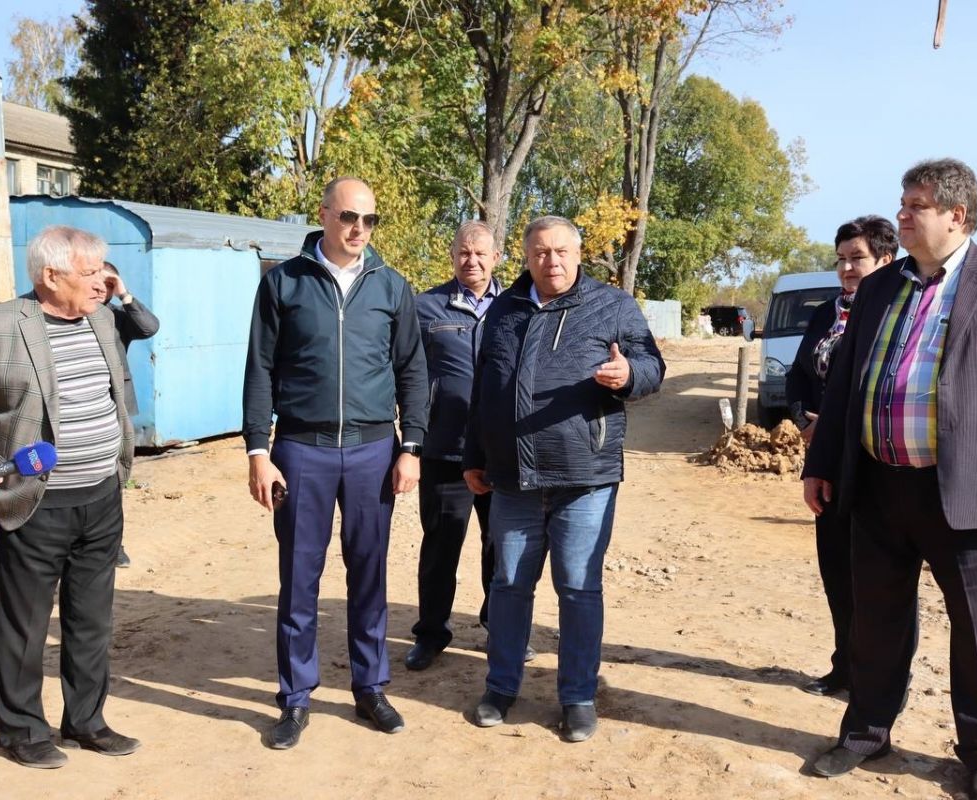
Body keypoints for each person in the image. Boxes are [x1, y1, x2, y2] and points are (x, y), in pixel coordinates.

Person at [802, 159, 977, 800]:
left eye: (916, 205)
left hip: (970, 494)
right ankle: (866, 731)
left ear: (957, 216)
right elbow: (844, 386)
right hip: (879, 486)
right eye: (903, 202)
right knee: (875, 622)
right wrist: (819, 464)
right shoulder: (881, 288)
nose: (904, 214)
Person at [0, 225, 140, 769]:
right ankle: (22, 729)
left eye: (102, 271)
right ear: (51, 276)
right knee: (25, 624)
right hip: (36, 500)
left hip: (101, 496)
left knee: (91, 618)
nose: (102, 283)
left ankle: (86, 719)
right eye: (90, 272)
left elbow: (116, 388)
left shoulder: (101, 318)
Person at [463, 215, 665, 742]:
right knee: (507, 586)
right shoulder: (504, 310)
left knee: (578, 588)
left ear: (578, 255)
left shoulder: (613, 306)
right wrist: (473, 454)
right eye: (540, 253)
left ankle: (577, 696)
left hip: (585, 478)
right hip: (513, 480)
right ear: (525, 257)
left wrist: (628, 377)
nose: (551, 262)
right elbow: (484, 389)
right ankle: (501, 686)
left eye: (560, 252)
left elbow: (651, 366)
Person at [243, 176, 429, 749]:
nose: (358, 230)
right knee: (299, 577)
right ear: (323, 214)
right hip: (302, 449)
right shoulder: (284, 284)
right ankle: (296, 698)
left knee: (369, 574)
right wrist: (257, 450)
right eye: (349, 217)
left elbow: (413, 372)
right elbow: (260, 371)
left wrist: (411, 447)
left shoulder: (392, 287)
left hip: (375, 449)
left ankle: (370, 687)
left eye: (369, 221)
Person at [406, 220, 540, 671]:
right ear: (452, 255)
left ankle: (501, 628)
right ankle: (430, 633)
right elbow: (405, 373)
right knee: (440, 547)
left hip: (502, 453)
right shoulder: (426, 308)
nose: (473, 260)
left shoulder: (519, 308)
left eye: (482, 253)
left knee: (502, 547)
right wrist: (410, 439)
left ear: (498, 257)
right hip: (445, 449)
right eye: (464, 252)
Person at [786, 215, 897, 696]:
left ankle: (883, 677)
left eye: (858, 259)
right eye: (842, 260)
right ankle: (845, 668)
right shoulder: (825, 313)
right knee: (835, 566)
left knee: (876, 576)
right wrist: (806, 422)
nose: (848, 269)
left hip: (877, 464)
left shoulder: (897, 314)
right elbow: (796, 377)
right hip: (828, 460)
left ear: (886, 261)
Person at [101, 262, 160, 568]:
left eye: (107, 284)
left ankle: (114, 545)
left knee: (114, 481)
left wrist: (123, 293)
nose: (100, 289)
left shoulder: (116, 317)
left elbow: (149, 326)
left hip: (115, 411)